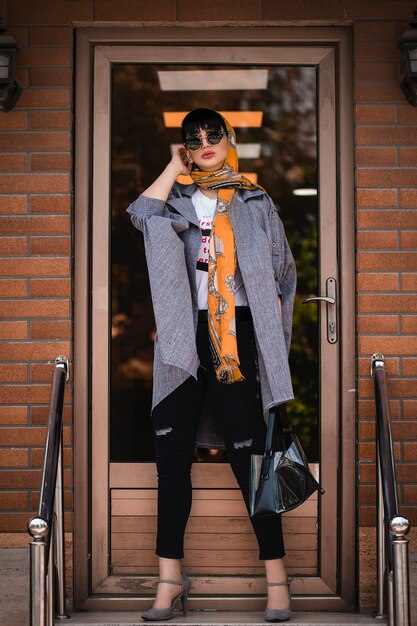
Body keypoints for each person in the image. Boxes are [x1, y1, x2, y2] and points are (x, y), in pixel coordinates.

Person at [127, 108, 296, 623]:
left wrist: (270, 342)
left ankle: (277, 582)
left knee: (252, 460)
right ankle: (169, 582)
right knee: (172, 462)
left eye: (212, 136)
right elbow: (139, 214)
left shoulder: (254, 200)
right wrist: (170, 165)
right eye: (193, 139)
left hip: (235, 337)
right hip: (184, 335)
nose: (204, 144)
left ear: (229, 139)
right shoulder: (174, 200)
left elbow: (283, 273)